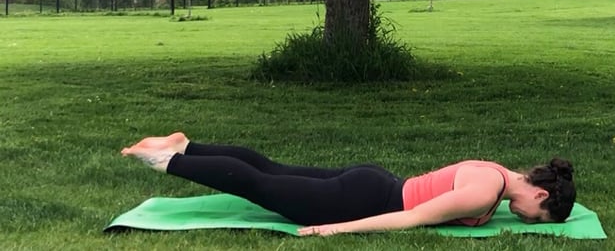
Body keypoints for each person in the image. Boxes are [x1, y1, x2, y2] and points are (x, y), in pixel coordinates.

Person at [121, 132, 576, 236]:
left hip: (373, 179)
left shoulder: (500, 174)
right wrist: (334, 228)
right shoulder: (488, 193)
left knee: (274, 171)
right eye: (541, 215)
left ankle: (189, 145)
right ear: (540, 193)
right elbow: (413, 218)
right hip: (364, 197)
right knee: (261, 185)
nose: (530, 219)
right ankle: (170, 160)